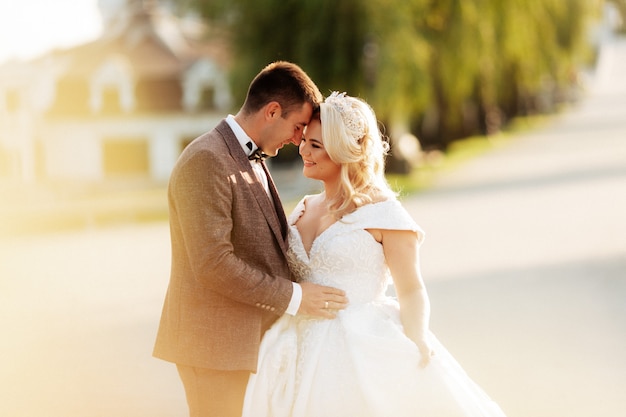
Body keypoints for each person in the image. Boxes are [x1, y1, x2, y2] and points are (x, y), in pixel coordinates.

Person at [242, 92, 508, 417]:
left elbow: (411, 289)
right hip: (291, 346)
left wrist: (417, 335)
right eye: (305, 141)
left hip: (360, 344)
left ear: (344, 151)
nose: (303, 151)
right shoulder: (303, 208)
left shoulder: (384, 214)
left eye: (316, 145)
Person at [153, 62, 349, 417]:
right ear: (272, 111)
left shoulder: (253, 157)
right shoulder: (205, 160)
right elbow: (213, 263)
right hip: (213, 348)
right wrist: (295, 297)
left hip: (246, 345)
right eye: (297, 127)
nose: (297, 139)